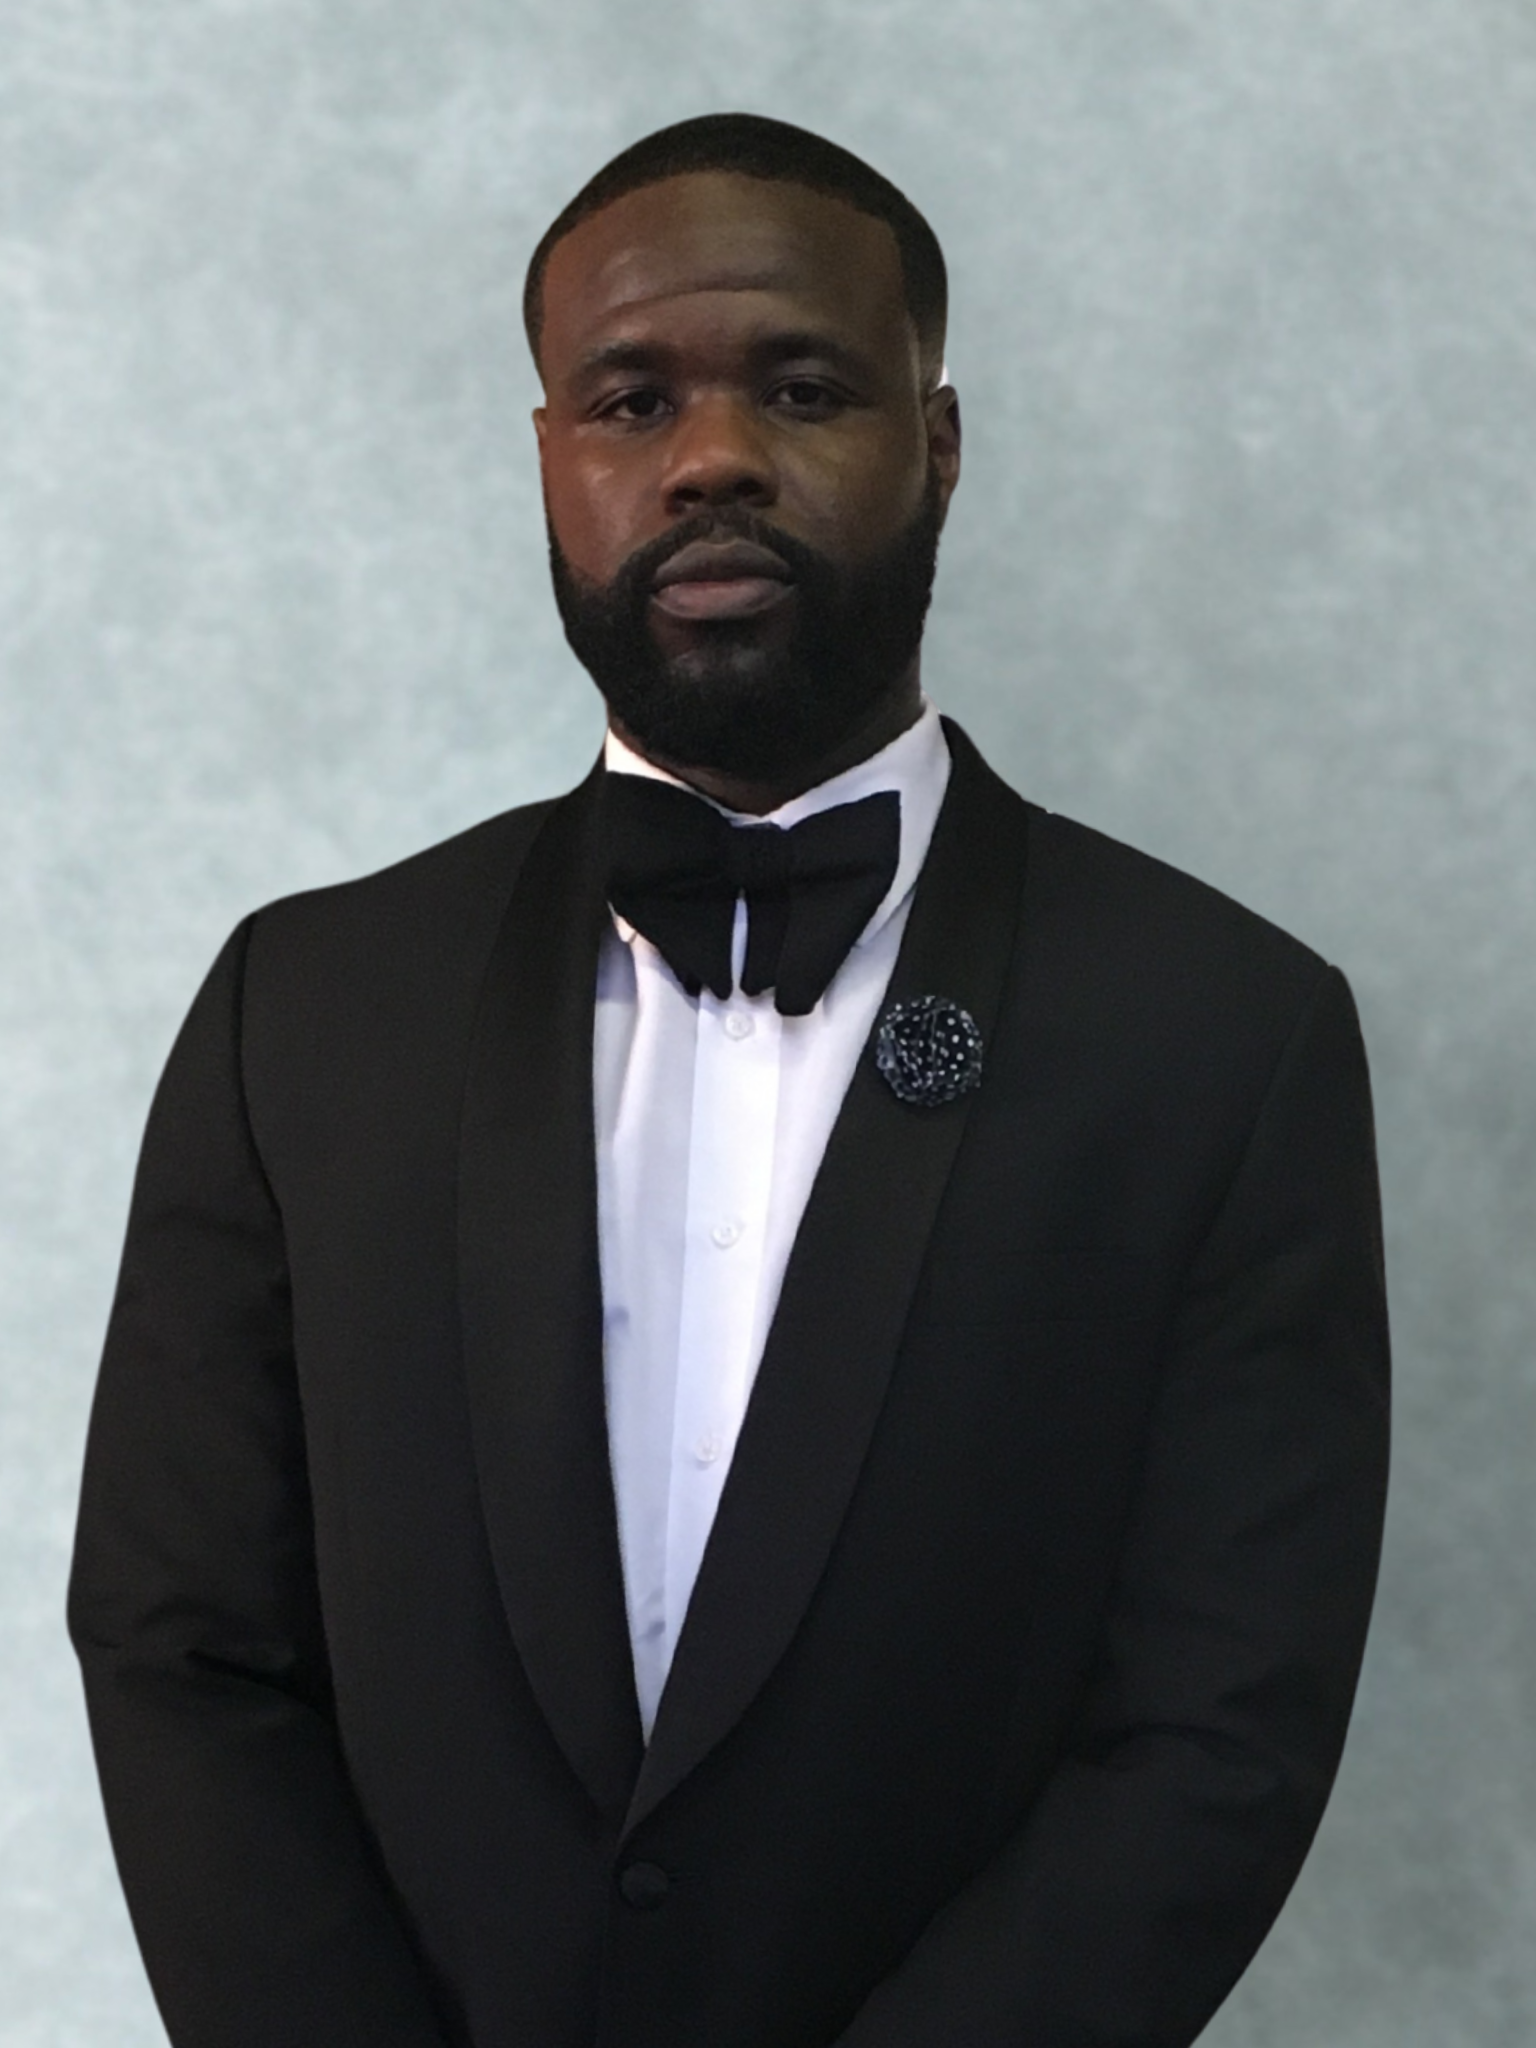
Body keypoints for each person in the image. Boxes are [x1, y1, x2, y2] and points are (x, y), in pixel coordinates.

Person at [67, 112, 1391, 2048]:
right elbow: (187, 1643)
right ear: (549, 461)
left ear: (935, 444)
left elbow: (1221, 1719)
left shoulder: (1221, 1033)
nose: (709, 456)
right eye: (627, 399)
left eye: (802, 385)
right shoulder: (307, 1007)